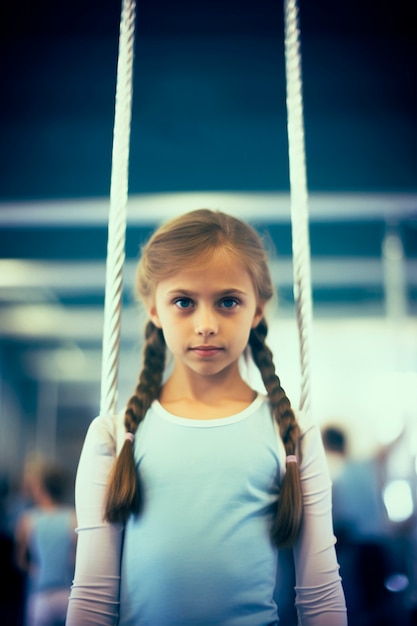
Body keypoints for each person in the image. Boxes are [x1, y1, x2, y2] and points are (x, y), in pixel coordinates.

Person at [66, 209, 347, 626]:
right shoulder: (114, 434)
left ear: (257, 310)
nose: (206, 325)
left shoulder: (293, 433)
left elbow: (320, 593)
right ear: (154, 309)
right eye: (183, 302)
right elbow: (92, 597)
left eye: (228, 301)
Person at [15, 461, 76, 626]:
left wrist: (36, 570)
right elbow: (75, 560)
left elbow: (21, 562)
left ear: (41, 488)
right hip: (68, 595)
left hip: (40, 595)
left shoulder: (28, 520)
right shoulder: (73, 518)